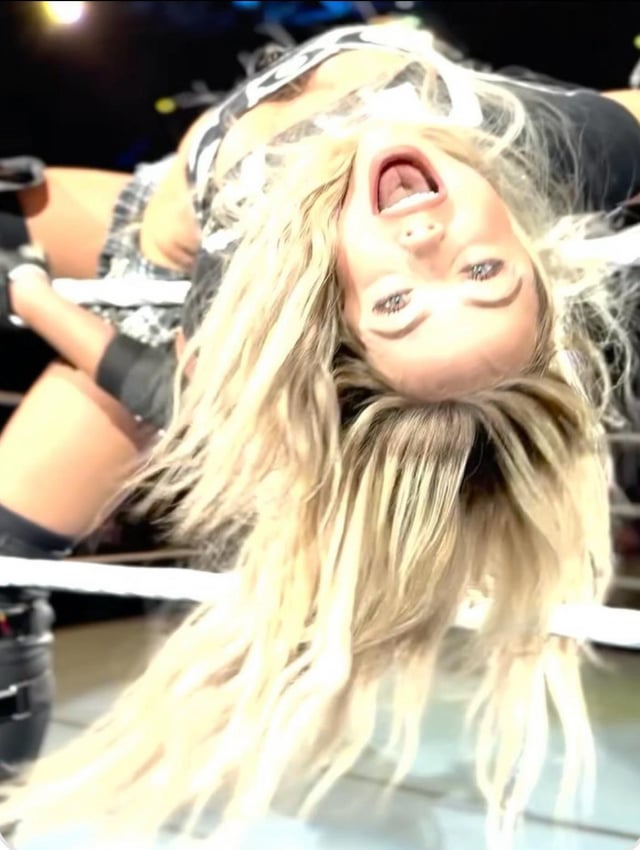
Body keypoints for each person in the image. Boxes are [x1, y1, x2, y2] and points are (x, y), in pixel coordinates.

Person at [1, 20, 640, 849]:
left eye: (397, 304)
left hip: (153, 281)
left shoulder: (247, 305)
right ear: (533, 254)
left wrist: (35, 299)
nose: (425, 243)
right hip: (139, 201)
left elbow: (181, 396)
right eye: (484, 273)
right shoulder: (562, 147)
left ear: (335, 315)